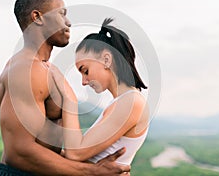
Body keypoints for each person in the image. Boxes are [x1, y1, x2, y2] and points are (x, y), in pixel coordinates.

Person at [0, 0, 130, 176]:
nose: (69, 22)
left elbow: (44, 147)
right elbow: (18, 152)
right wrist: (91, 172)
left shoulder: (42, 68)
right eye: (61, 14)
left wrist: (96, 164)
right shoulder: (27, 70)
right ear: (37, 17)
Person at [48, 18, 149, 165]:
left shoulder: (131, 102)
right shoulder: (120, 102)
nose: (84, 82)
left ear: (106, 60)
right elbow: (84, 157)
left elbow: (75, 153)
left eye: (85, 71)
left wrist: (69, 98)